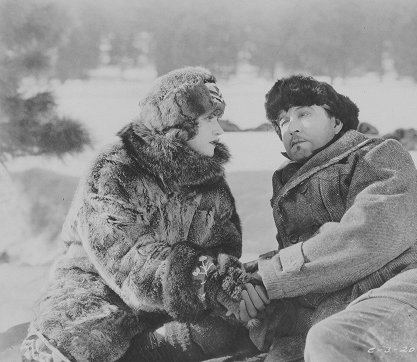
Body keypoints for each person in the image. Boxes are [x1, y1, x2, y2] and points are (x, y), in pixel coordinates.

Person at [20, 67, 268, 362]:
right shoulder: (115, 167)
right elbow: (129, 260)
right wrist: (207, 280)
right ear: (180, 123)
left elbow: (224, 246)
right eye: (209, 119)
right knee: (82, 339)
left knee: (245, 324)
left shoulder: (209, 178)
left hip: (173, 302)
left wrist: (229, 282)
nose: (220, 130)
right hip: (99, 292)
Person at [242, 74, 417, 361]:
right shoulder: (288, 194)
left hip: (413, 291)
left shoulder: (379, 155)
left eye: (304, 113)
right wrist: (250, 288)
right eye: (283, 121)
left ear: (336, 122)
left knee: (336, 341)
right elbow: (302, 271)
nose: (292, 127)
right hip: (341, 310)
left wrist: (272, 275)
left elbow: (372, 234)